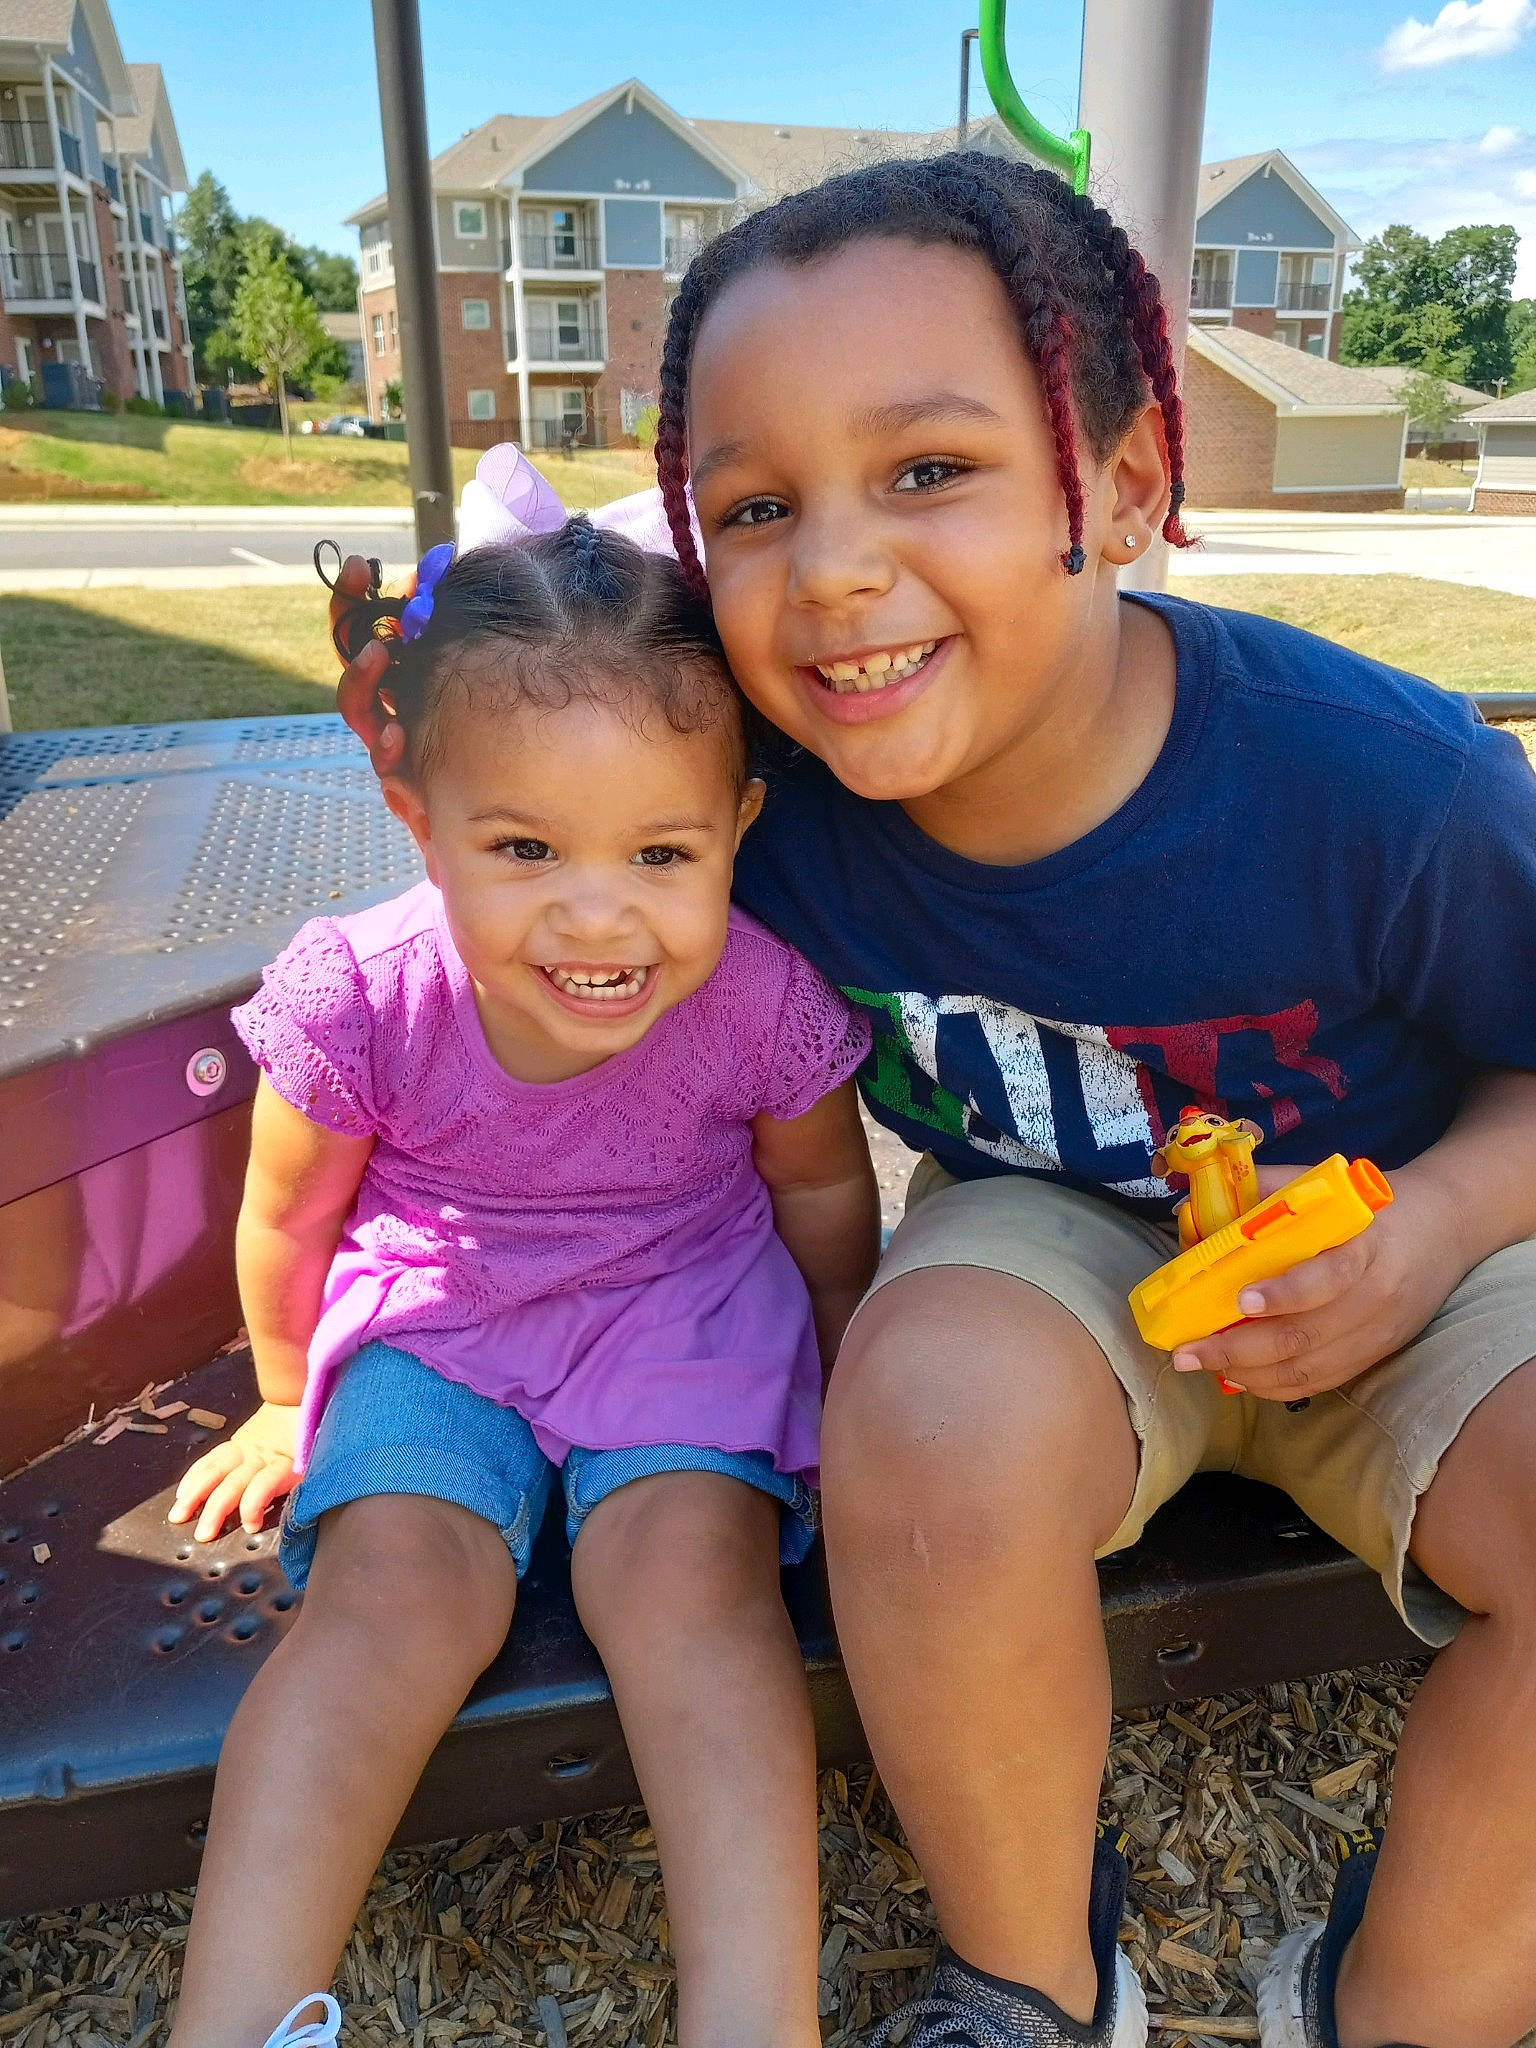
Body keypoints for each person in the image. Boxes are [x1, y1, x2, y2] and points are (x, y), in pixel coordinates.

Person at [334, 156, 1536, 2048]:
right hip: (1048, 1233)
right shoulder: (749, 812)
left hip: (1411, 1213)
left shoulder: (1387, 785)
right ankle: (1040, 1980)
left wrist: (1448, 1225)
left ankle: (1417, 1998)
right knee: (914, 1418)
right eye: (754, 505)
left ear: (1127, 487)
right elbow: (506, 823)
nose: (831, 571)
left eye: (928, 471)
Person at [168, 519, 880, 2048]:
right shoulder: (363, 993)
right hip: (440, 1317)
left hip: (679, 1306)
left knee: (694, 1589)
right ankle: (235, 2023)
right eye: (525, 849)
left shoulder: (759, 997)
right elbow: (288, 1216)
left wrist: (847, 1367)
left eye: (662, 853)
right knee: (386, 1597)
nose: (599, 915)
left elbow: (821, 1189)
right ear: (417, 817)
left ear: (738, 824)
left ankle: (757, 2020)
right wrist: (286, 1399)